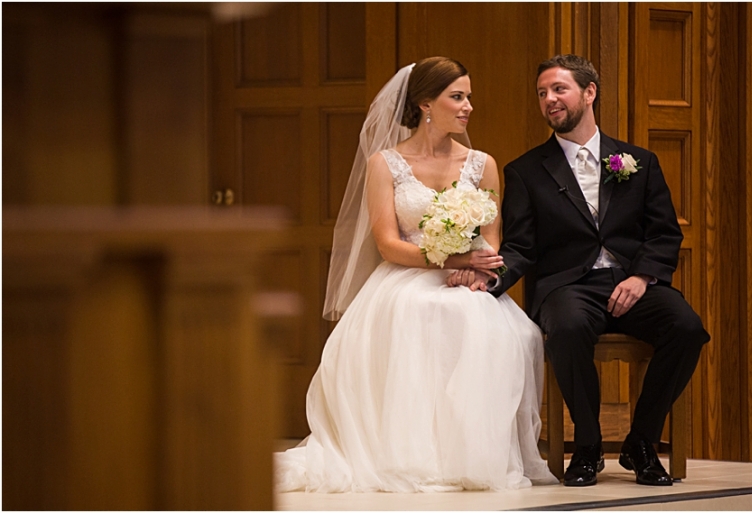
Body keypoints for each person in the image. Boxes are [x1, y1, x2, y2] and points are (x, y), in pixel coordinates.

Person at [273, 56, 558, 493]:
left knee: (508, 331)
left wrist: (475, 269)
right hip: (406, 276)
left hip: (469, 276)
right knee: (421, 313)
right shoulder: (385, 164)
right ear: (426, 103)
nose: (468, 107)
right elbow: (388, 242)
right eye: (457, 97)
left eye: (469, 97)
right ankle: (412, 455)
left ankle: (473, 454)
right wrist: (450, 261)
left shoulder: (482, 163)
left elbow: (492, 237)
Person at [450, 54, 710, 487]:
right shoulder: (527, 171)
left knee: (686, 327)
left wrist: (642, 277)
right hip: (567, 287)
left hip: (633, 282)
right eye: (542, 93)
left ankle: (641, 442)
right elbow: (520, 245)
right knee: (567, 330)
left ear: (589, 93)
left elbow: (664, 234)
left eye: (559, 89)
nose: (549, 99)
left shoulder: (638, 161)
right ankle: (587, 445)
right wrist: (491, 279)